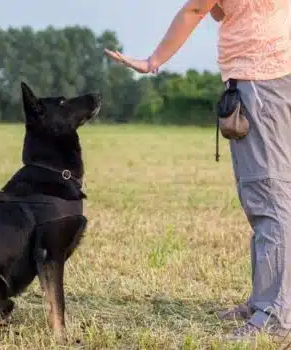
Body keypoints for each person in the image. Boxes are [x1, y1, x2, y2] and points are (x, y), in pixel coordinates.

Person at [105, 0, 291, 342]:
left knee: (270, 198)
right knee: (268, 197)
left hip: (261, 78)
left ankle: (276, 314)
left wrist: (153, 61)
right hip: (271, 75)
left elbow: (197, 10)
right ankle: (264, 301)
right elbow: (222, 10)